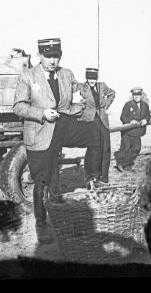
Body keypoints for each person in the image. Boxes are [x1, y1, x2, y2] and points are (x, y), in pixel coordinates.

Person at [13, 38, 104, 244]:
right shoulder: (28, 76)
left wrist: (81, 103)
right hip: (40, 131)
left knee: (95, 133)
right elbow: (18, 107)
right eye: (48, 56)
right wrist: (43, 112)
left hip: (63, 126)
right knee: (44, 179)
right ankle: (41, 225)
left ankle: (91, 177)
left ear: (60, 56)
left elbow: (75, 96)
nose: (52, 60)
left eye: (56, 56)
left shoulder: (67, 74)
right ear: (40, 55)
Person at [77, 68, 115, 183]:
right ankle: (90, 176)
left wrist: (105, 106)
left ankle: (103, 177)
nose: (92, 80)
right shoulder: (81, 87)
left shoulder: (102, 86)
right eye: (90, 78)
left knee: (105, 149)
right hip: (89, 122)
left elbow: (112, 93)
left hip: (102, 121)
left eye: (94, 78)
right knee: (93, 150)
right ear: (86, 78)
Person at [114, 87, 151, 173]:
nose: (136, 96)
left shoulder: (145, 105)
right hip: (127, 132)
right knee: (125, 149)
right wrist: (130, 121)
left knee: (136, 149)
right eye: (134, 95)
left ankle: (126, 164)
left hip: (138, 132)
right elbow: (122, 117)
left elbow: (148, 116)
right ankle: (121, 164)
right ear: (132, 95)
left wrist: (146, 120)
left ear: (141, 95)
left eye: (138, 94)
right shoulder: (128, 104)